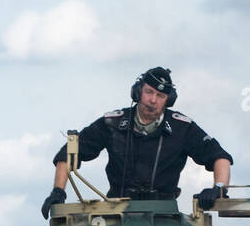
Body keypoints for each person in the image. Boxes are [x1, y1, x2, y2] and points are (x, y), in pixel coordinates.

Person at [40, 67, 233, 218]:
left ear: (168, 100)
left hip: (164, 216)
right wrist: (58, 191)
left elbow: (219, 156)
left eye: (160, 96)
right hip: (116, 213)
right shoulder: (113, 123)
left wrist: (219, 188)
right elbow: (69, 152)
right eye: (149, 92)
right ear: (138, 92)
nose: (152, 100)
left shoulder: (182, 128)